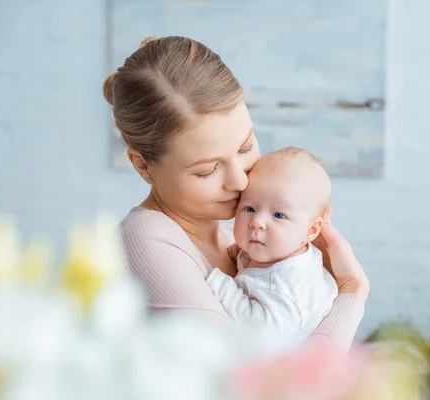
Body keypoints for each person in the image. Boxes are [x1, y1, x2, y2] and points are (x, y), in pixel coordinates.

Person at [104, 35, 369, 351]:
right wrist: (352, 294)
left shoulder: (239, 243)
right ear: (143, 166)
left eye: (245, 147)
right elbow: (247, 383)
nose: (240, 182)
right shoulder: (147, 239)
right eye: (207, 170)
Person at [206, 147, 338, 343]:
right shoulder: (281, 251)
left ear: (311, 230)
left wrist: (220, 283)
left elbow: (259, 335)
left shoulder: (286, 287)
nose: (257, 221)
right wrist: (245, 254)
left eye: (278, 215)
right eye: (249, 208)